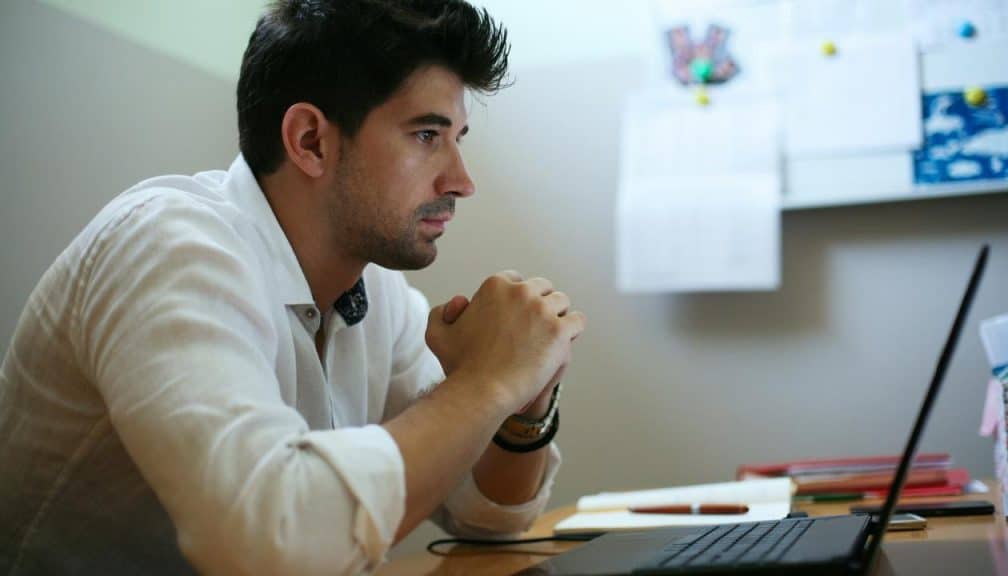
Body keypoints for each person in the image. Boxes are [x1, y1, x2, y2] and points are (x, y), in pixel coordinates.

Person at [0, 1, 586, 574]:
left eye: (458, 136)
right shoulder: (169, 246)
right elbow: (268, 545)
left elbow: (484, 515)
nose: (462, 181)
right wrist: (489, 381)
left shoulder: (376, 289)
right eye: (427, 135)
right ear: (310, 141)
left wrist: (522, 401)